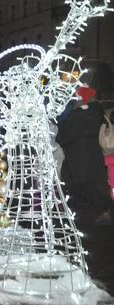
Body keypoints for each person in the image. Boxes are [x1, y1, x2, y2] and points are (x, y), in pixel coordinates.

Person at [56, 85, 112, 224]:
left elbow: (66, 135)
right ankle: (79, 206)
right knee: (83, 182)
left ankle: (104, 211)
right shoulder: (97, 110)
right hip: (93, 153)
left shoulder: (76, 115)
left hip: (78, 155)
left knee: (85, 183)